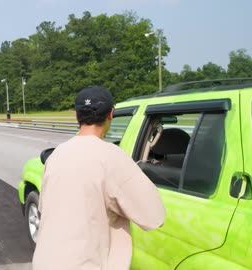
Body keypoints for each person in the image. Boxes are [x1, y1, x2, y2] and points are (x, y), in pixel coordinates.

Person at [32, 86, 166, 270]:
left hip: (45, 262)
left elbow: (47, 208)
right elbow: (154, 216)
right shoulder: (113, 157)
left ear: (76, 115)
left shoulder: (56, 155)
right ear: (111, 114)